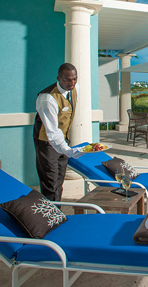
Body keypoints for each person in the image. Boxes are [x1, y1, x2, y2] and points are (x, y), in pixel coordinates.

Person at [33, 63, 86, 201]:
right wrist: (67, 150)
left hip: (62, 139)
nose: (72, 83)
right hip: (46, 143)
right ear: (58, 78)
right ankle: (49, 218)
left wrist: (66, 147)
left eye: (75, 79)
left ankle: (58, 213)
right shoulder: (47, 98)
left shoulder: (75, 89)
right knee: (50, 182)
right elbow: (52, 131)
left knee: (59, 181)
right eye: (68, 80)